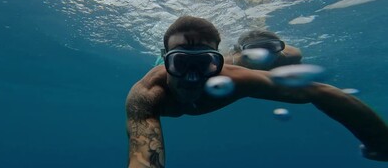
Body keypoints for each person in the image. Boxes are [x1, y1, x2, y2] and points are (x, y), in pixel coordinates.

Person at [126, 16, 388, 167]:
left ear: (217, 62)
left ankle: (255, 46)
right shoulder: (147, 94)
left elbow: (320, 91)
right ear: (165, 59)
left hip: (236, 62)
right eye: (181, 63)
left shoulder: (235, 77)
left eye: (205, 64)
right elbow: (143, 159)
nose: (193, 78)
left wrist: (381, 142)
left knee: (289, 56)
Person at [224, 30, 302, 70]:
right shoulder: (230, 63)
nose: (264, 54)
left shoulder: (292, 55)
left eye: (270, 47)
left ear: (280, 47)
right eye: (253, 49)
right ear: (241, 52)